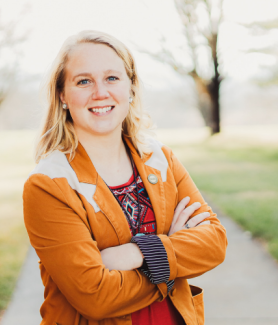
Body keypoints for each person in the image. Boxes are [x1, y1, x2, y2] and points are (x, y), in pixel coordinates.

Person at [23, 30, 227, 325]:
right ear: (62, 95)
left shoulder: (160, 159)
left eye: (112, 78)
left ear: (131, 87)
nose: (100, 93)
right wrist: (170, 261)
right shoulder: (49, 184)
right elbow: (96, 296)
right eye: (83, 81)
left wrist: (137, 253)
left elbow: (214, 242)